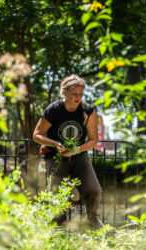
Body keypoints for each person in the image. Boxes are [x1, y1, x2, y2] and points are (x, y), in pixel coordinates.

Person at [33, 74, 103, 228]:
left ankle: (92, 220)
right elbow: (36, 135)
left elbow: (93, 140)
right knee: (58, 195)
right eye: (74, 94)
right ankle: (57, 227)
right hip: (55, 157)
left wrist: (78, 149)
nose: (78, 98)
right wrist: (55, 144)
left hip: (80, 157)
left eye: (81, 94)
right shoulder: (54, 110)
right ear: (64, 93)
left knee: (93, 189)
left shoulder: (88, 111)